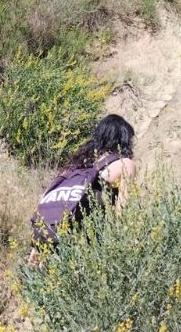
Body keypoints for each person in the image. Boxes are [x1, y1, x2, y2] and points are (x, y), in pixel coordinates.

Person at [28, 114, 138, 266]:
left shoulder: (76, 165)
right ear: (124, 141)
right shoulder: (124, 164)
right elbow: (122, 212)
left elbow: (49, 196)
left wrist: (38, 243)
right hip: (84, 245)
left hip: (50, 234)